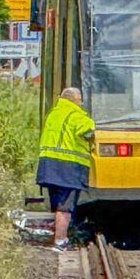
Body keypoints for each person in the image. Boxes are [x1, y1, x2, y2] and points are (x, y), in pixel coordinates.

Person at [36, 87, 95, 251]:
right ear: (75, 100)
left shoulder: (54, 114)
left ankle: (57, 236)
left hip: (48, 164)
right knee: (65, 206)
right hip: (68, 166)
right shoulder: (77, 116)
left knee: (57, 203)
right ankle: (60, 241)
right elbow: (89, 132)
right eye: (80, 99)